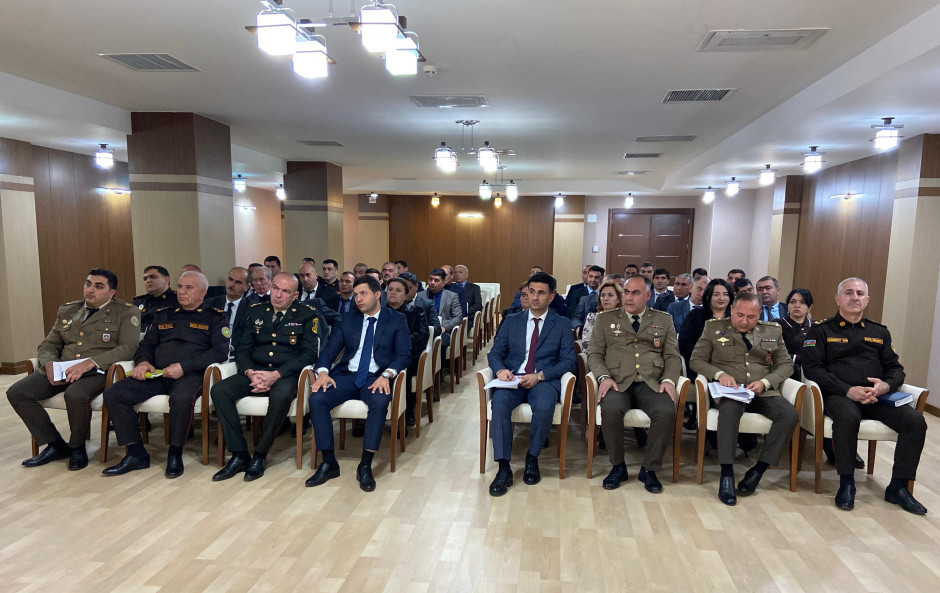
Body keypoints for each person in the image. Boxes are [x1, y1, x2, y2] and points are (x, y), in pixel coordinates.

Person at [801, 278, 928, 515]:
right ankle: (847, 482)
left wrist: (884, 386)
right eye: (849, 292)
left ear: (867, 300)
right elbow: (812, 368)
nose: (855, 297)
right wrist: (848, 390)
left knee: (915, 422)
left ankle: (899, 487)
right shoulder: (821, 330)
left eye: (860, 293)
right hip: (840, 395)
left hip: (875, 397)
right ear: (838, 299)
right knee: (848, 417)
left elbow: (896, 369)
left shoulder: (879, 332)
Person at [8, 269, 140, 470]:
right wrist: (49, 363)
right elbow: (49, 344)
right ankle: (55, 444)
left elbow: (128, 348)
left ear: (112, 292)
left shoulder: (126, 312)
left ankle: (77, 447)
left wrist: (91, 362)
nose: (90, 290)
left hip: (97, 371)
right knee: (18, 393)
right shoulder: (68, 310)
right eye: (88, 284)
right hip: (62, 367)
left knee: (75, 394)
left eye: (99, 286)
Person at [101, 272, 229, 478]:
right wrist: (143, 362)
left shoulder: (215, 317)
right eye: (180, 286)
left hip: (191, 375)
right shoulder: (164, 314)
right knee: (114, 394)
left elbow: (219, 352)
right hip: (158, 373)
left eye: (189, 288)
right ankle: (136, 454)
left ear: (203, 293)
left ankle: (175, 453)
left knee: (181, 398)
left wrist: (184, 367)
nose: (181, 292)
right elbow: (146, 345)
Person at [210, 273, 326, 482]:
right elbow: (243, 348)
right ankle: (239, 454)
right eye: (275, 288)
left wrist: (276, 375)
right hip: (255, 371)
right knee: (219, 390)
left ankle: (260, 455)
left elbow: (309, 354)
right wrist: (249, 372)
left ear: (295, 295)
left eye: (285, 291)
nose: (278, 295)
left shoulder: (307, 314)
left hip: (286, 374)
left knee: (280, 396)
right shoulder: (255, 311)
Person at [689, 293, 797, 506]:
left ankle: (759, 469)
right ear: (731, 310)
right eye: (739, 315)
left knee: (789, 415)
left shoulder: (772, 330)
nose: (745, 321)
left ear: (759, 314)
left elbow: (786, 364)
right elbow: (696, 360)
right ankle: (727, 474)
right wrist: (719, 374)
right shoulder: (713, 328)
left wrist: (766, 382)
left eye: (751, 316)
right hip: (731, 391)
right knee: (728, 411)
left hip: (762, 390)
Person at [307, 276, 412, 492]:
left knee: (380, 401)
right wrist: (323, 372)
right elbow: (329, 351)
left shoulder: (396, 319)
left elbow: (404, 354)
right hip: (347, 375)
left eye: (363, 294)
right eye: (355, 295)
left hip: (376, 376)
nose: (358, 299)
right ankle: (329, 462)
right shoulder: (348, 319)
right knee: (317, 398)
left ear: (377, 294)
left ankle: (365, 464)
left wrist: (387, 375)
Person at [486, 272, 577, 496]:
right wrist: (500, 370)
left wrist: (541, 375)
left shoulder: (561, 324)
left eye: (541, 293)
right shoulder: (512, 320)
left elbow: (569, 361)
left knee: (545, 406)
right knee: (499, 403)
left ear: (552, 296)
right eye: (531, 292)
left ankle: (532, 457)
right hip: (513, 378)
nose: (535, 297)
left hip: (543, 380)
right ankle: (504, 467)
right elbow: (495, 353)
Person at [588, 274, 680, 492]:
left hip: (651, 382)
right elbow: (594, 354)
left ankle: (649, 468)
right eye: (626, 292)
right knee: (611, 408)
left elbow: (672, 356)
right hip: (617, 381)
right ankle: (618, 466)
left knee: (666, 410)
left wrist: (669, 380)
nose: (629, 297)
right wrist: (604, 377)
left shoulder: (663, 319)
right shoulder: (605, 319)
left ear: (647, 295)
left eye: (635, 293)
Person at [385, 277, 429, 427]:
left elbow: (422, 335)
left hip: (408, 355)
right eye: (390, 289)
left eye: (398, 290)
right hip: (382, 355)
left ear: (405, 295)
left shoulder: (415, 311)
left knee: (404, 369)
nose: (393, 293)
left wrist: (400, 343)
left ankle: (406, 411)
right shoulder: (379, 313)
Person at [678, 279, 732, 370]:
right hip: (700, 363)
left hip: (730, 365)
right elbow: (684, 344)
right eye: (716, 295)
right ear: (707, 296)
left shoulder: (735, 318)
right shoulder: (695, 315)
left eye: (725, 294)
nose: (721, 298)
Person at [205, 266, 251, 357]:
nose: (232, 284)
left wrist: (230, 347)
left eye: (238, 282)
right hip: (211, 350)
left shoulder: (252, 308)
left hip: (237, 353)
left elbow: (248, 336)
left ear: (247, 287)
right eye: (230, 279)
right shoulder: (210, 304)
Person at [417, 268, 463, 351]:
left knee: (440, 345)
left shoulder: (452, 296)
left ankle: (440, 360)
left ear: (443, 282)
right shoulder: (420, 295)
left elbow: (458, 317)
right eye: (430, 279)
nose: (432, 282)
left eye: (436, 280)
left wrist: (445, 327)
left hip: (443, 331)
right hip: (423, 330)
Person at [577, 280, 623, 354]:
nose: (605, 299)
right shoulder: (592, 318)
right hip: (596, 356)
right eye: (602, 295)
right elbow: (586, 346)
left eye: (610, 295)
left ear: (618, 299)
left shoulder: (625, 318)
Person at [400, 272, 441, 338]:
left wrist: (422, 330)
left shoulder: (427, 304)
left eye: (409, 288)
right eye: (401, 289)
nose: (405, 292)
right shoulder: (394, 303)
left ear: (416, 286)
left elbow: (437, 328)